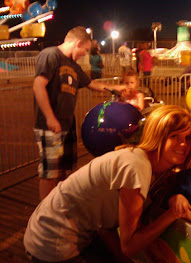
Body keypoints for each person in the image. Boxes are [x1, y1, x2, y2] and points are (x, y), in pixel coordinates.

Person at [24, 105, 191, 263]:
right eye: (174, 136)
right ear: (157, 136)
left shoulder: (140, 160)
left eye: (188, 137)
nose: (183, 144)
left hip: (55, 232)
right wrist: (173, 214)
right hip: (52, 245)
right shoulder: (137, 167)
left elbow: (107, 227)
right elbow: (129, 246)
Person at [33, 26, 127, 201]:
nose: (85, 54)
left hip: (66, 126)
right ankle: (43, 210)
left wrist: (118, 88)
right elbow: (39, 85)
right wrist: (50, 117)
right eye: (84, 50)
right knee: (49, 172)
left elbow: (92, 84)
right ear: (77, 43)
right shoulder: (50, 55)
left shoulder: (72, 65)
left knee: (62, 169)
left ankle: (57, 204)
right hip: (50, 126)